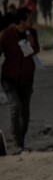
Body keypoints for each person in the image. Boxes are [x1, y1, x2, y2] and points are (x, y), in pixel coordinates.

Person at [0, 8, 40, 154]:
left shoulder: (32, 33)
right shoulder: (7, 35)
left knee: (25, 112)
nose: (32, 22)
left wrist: (32, 44)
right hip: (9, 78)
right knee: (15, 106)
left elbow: (36, 50)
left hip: (27, 79)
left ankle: (21, 140)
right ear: (22, 21)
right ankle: (17, 141)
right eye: (29, 19)